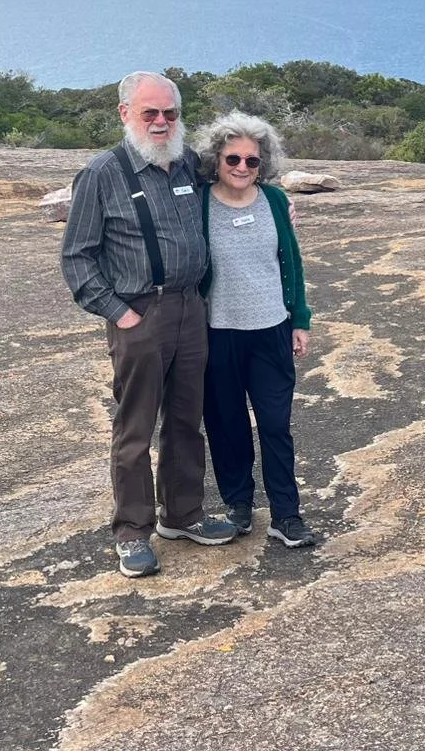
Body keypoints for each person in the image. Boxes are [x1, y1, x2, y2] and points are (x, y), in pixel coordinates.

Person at [62, 71, 235, 579]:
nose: (161, 122)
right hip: (140, 314)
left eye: (170, 113)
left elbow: (237, 183)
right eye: (150, 113)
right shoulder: (102, 173)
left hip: (190, 310)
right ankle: (132, 532)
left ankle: (182, 515)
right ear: (125, 114)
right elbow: (77, 257)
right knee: (135, 428)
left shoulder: (185, 163)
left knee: (187, 419)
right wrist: (122, 313)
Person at [193, 112, 318, 549]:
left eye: (252, 160)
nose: (243, 168)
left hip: (271, 330)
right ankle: (238, 504)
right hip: (217, 332)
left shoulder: (276, 202)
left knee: (275, 425)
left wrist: (299, 319)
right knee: (226, 424)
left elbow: (292, 262)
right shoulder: (198, 202)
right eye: (233, 159)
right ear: (216, 159)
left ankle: (286, 514)